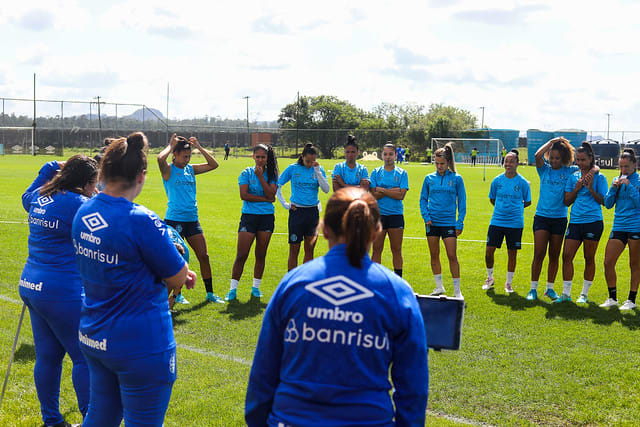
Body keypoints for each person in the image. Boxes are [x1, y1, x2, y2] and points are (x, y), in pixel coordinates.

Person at [245, 187, 428, 427]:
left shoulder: (294, 284)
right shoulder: (397, 291)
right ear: (376, 232)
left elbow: (263, 373)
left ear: (323, 229)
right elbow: (413, 387)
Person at [73, 132, 196, 426]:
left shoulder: (84, 210)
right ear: (141, 176)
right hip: (140, 345)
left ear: (104, 171)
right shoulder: (142, 219)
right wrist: (182, 273)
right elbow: (178, 275)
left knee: (100, 416)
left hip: (94, 335)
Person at [20, 156, 97, 427]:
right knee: (85, 357)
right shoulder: (81, 204)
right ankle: (92, 421)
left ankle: (52, 421)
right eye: (94, 184)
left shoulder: (40, 196)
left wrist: (49, 168)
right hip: (62, 291)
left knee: (48, 357)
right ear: (86, 183)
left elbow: (25, 196)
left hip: (32, 285)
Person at [527, 137, 597, 301]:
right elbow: (537, 156)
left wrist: (594, 170)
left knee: (554, 255)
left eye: (557, 158)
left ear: (564, 158)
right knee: (538, 253)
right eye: (551, 157)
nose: (553, 161)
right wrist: (551, 143)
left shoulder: (570, 171)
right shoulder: (544, 169)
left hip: (559, 219)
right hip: (542, 218)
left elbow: (592, 166)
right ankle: (533, 289)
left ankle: (549, 289)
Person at [157, 134, 224, 303]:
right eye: (184, 156)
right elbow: (159, 159)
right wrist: (170, 146)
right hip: (174, 221)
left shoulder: (191, 169)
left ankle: (210, 293)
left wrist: (199, 147)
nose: (187, 159)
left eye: (189, 156)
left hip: (192, 220)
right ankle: (176, 295)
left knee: (204, 256)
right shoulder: (169, 170)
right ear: (175, 154)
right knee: (176, 257)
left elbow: (213, 165)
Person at [555, 142, 608, 303]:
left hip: (593, 221)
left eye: (583, 160)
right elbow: (566, 202)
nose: (579, 163)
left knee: (589, 258)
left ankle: (584, 294)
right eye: (577, 160)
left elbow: (604, 201)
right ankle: (566, 294)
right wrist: (577, 189)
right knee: (566, 256)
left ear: (591, 159)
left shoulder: (600, 177)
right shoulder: (573, 177)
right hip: (575, 222)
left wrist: (591, 188)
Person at [225, 144, 279, 301]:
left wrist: (261, 177)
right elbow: (244, 195)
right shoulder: (246, 173)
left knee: (260, 254)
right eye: (258, 156)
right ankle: (232, 290)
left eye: (263, 157)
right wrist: (266, 199)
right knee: (241, 254)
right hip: (249, 217)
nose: (261, 159)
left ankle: (255, 288)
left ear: (267, 158)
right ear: (253, 156)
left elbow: (272, 192)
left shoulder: (272, 174)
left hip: (266, 217)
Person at [420, 143, 466, 298]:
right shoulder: (428, 178)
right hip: (432, 223)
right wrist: (426, 217)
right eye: (437, 163)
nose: (439, 166)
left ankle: (457, 291)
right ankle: (439, 287)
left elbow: (462, 203)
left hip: (449, 224)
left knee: (452, 256)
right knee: (434, 256)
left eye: (442, 164)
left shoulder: (457, 179)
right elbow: (423, 200)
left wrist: (459, 223)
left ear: (448, 163)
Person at [482, 149, 532, 293]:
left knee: (512, 253)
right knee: (489, 251)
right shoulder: (497, 181)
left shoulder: (523, 182)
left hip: (515, 223)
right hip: (497, 221)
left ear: (517, 163)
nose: (508, 164)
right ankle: (490, 278)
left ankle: (508, 283)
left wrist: (514, 209)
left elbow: (528, 202)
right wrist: (502, 208)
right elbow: (492, 199)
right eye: (506, 161)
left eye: (511, 161)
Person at [277, 143, 330, 271]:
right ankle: (291, 282)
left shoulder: (318, 169)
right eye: (307, 161)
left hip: (312, 213)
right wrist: (285, 204)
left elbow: (326, 189)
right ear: (302, 157)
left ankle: (305, 280)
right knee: (294, 250)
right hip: (297, 212)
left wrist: (317, 172)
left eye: (313, 161)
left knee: (309, 250)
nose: (310, 164)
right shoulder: (293, 168)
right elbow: (278, 185)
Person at [600, 149, 640, 310]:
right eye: (621, 167)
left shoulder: (637, 181)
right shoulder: (616, 180)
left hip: (635, 226)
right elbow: (608, 204)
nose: (623, 170)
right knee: (608, 262)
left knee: (634, 264)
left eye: (627, 167)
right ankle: (612, 297)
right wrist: (613, 189)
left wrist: (629, 187)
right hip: (619, 226)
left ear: (635, 165)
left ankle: (631, 300)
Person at [370, 143, 409, 277]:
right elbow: (373, 194)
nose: (388, 157)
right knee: (376, 249)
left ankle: (398, 279)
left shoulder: (402, 173)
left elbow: (401, 195)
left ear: (395, 155)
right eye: (385, 154)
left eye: (390, 154)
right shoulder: (376, 172)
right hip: (379, 216)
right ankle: (375, 279)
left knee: (396, 250)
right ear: (382, 155)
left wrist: (383, 190)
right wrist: (392, 191)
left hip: (396, 215)